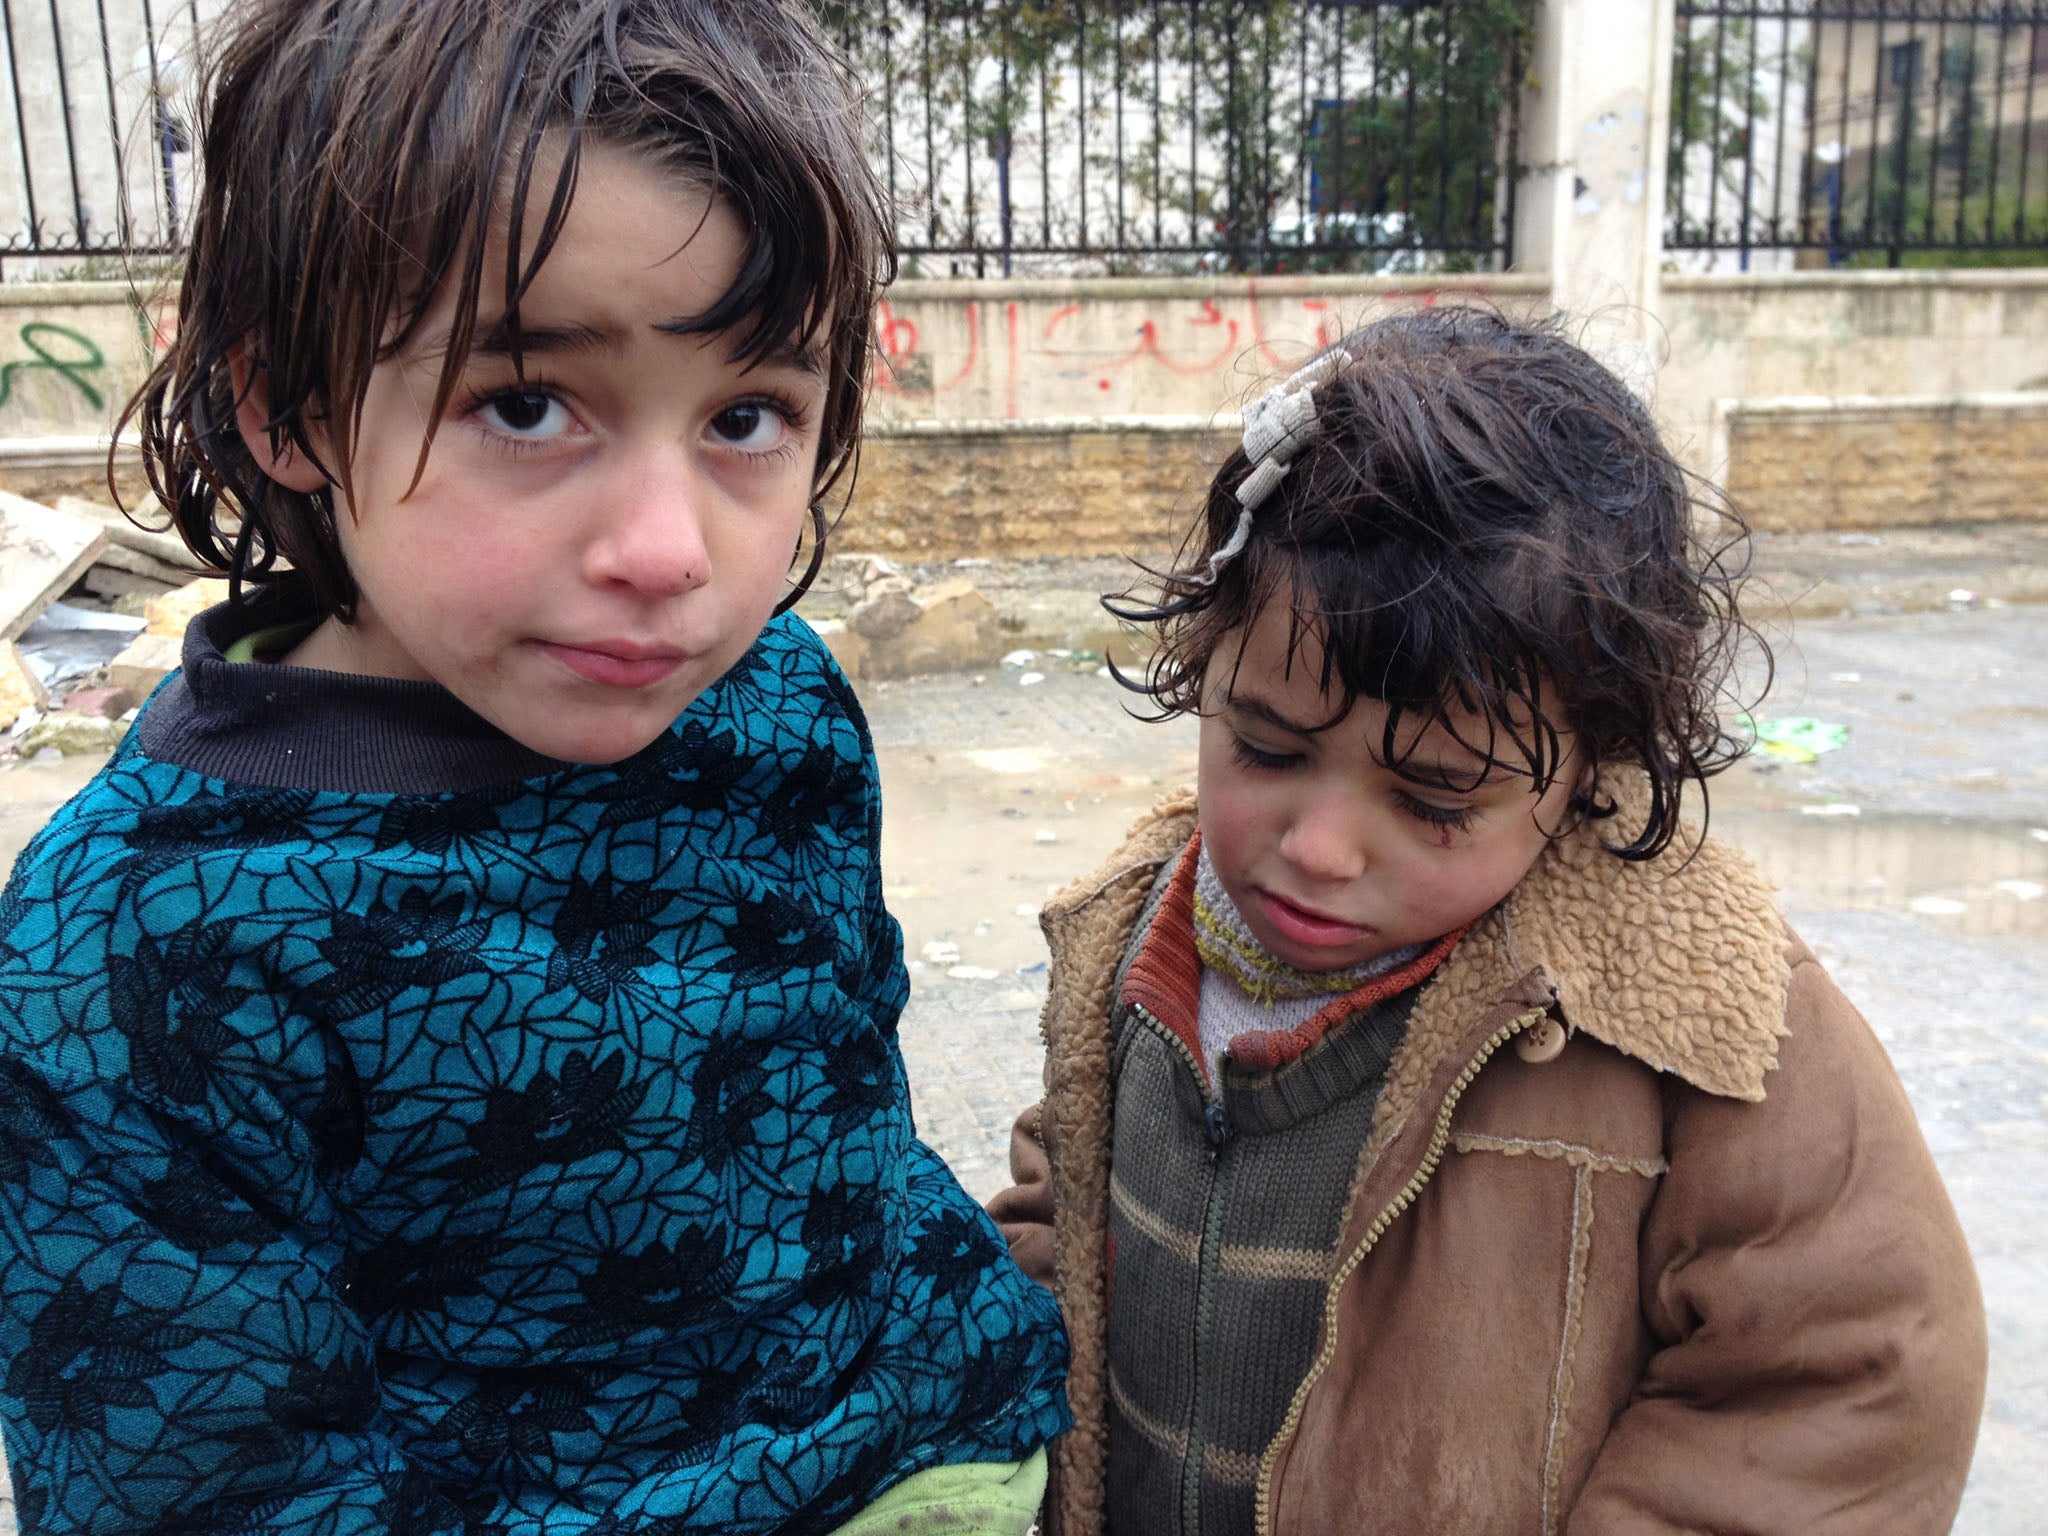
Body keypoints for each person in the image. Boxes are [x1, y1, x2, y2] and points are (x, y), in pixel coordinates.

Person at [0, 1, 1069, 1530]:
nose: (666, 552)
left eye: (748, 417)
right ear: (287, 403)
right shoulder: (129, 947)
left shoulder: (778, 707)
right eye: (527, 405)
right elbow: (210, 1492)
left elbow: (843, 1099)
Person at [988, 307, 1985, 1535]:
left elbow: (1854, 1379)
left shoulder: (1700, 1023)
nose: (1318, 847)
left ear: (1591, 762)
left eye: (1435, 796)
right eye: (1264, 747)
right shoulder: (1128, 942)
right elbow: (1061, 1184)